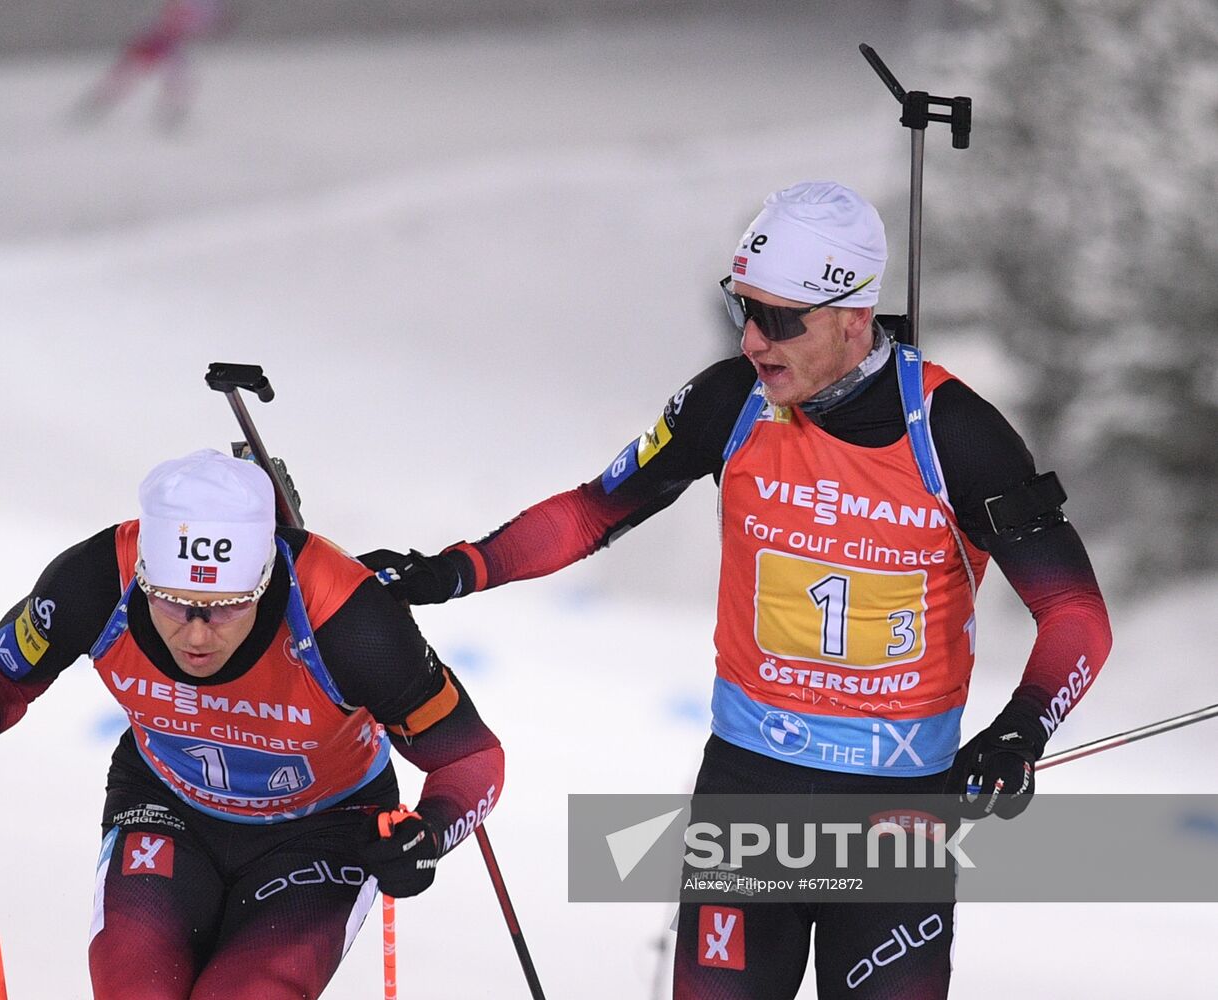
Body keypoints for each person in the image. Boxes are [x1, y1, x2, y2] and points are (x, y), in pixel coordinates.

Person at [361, 181, 1112, 998]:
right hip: (748, 793)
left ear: (853, 315)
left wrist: (1021, 731)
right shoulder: (729, 403)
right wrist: (448, 571)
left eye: (780, 319)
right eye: (741, 310)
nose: (753, 340)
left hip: (897, 813)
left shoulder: (955, 433)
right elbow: (588, 513)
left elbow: (1074, 613)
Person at [0, 449, 503, 1000]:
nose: (196, 634)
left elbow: (470, 757)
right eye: (170, 602)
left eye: (226, 608)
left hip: (323, 828)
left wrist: (430, 832)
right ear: (143, 572)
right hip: (167, 803)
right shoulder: (96, 580)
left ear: (266, 581)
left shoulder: (347, 617)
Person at [72, 0, 226, 128]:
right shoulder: (199, 8)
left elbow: (188, 22)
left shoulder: (207, 7)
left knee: (175, 76)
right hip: (158, 41)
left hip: (167, 43)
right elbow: (174, 20)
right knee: (130, 73)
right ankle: (97, 103)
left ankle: (173, 113)